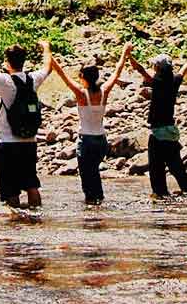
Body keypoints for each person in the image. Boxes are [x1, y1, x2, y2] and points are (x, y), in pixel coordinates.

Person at [0, 33, 53, 208]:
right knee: (31, 184)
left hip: (8, 142)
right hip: (29, 141)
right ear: (24, 61)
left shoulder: (5, 81)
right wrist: (46, 48)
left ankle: (15, 224)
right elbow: (48, 66)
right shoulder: (33, 79)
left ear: (7, 62)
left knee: (10, 190)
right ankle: (37, 219)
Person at [50, 43, 131, 205]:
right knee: (94, 173)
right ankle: (99, 205)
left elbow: (62, 74)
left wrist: (48, 55)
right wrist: (125, 53)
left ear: (83, 78)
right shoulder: (104, 91)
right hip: (101, 141)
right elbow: (117, 72)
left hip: (86, 141)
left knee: (87, 178)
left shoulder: (81, 94)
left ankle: (91, 209)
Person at [126, 48, 187, 198]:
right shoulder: (174, 81)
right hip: (171, 131)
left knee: (156, 168)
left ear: (158, 68)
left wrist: (128, 56)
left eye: (155, 66)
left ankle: (160, 194)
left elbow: (141, 70)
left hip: (159, 133)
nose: (153, 68)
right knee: (176, 165)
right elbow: (186, 66)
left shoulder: (158, 82)